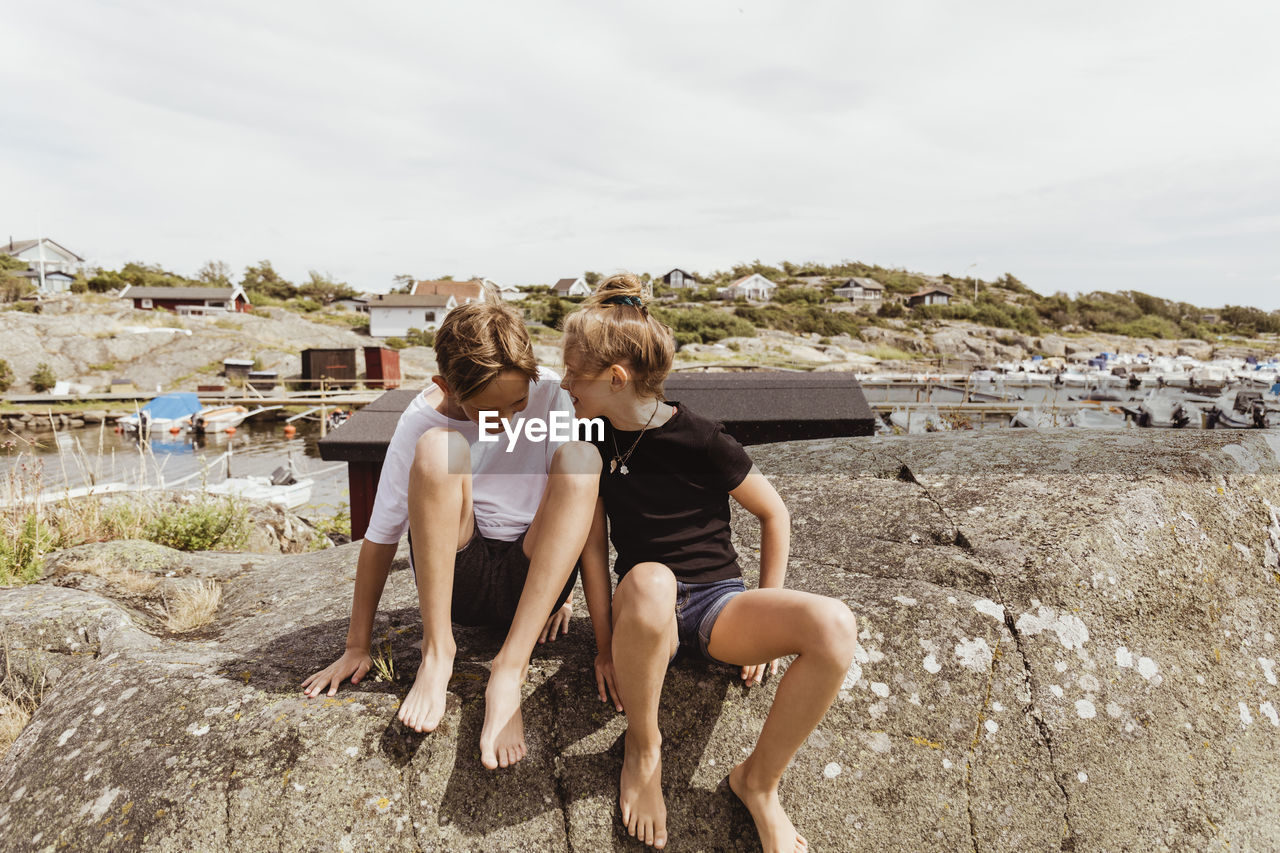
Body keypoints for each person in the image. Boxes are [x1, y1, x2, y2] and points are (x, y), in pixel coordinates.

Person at [560, 274, 860, 852]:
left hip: (719, 606)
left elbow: (774, 515)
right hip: (646, 611)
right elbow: (592, 548)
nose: (565, 382)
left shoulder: (702, 438)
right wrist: (604, 644)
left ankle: (759, 783)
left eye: (573, 373)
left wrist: (768, 615)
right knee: (650, 578)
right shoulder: (590, 439)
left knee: (834, 625)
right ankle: (645, 750)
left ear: (615, 378)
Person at [302, 297, 600, 771]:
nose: (505, 419)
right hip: (461, 579)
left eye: (517, 402)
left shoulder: (549, 395)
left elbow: (575, 501)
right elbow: (380, 539)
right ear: (446, 386)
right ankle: (439, 654)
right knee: (440, 449)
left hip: (533, 582)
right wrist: (356, 645)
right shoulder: (421, 418)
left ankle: (509, 667)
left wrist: (568, 602)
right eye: (487, 409)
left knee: (583, 459)